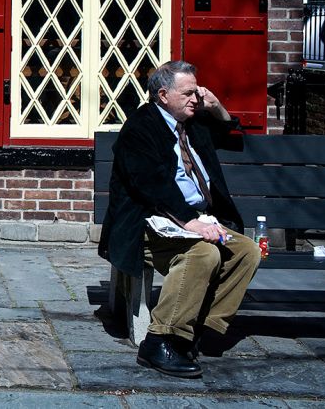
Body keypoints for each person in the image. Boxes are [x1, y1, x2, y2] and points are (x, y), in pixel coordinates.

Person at [98, 60, 261, 379]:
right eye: (188, 93)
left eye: (197, 93)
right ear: (162, 95)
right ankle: (159, 340)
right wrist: (191, 223)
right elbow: (151, 184)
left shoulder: (192, 123)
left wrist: (216, 107)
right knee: (203, 253)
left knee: (246, 251)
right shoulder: (141, 128)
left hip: (193, 219)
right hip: (149, 223)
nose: (195, 99)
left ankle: (196, 329)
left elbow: (231, 136)